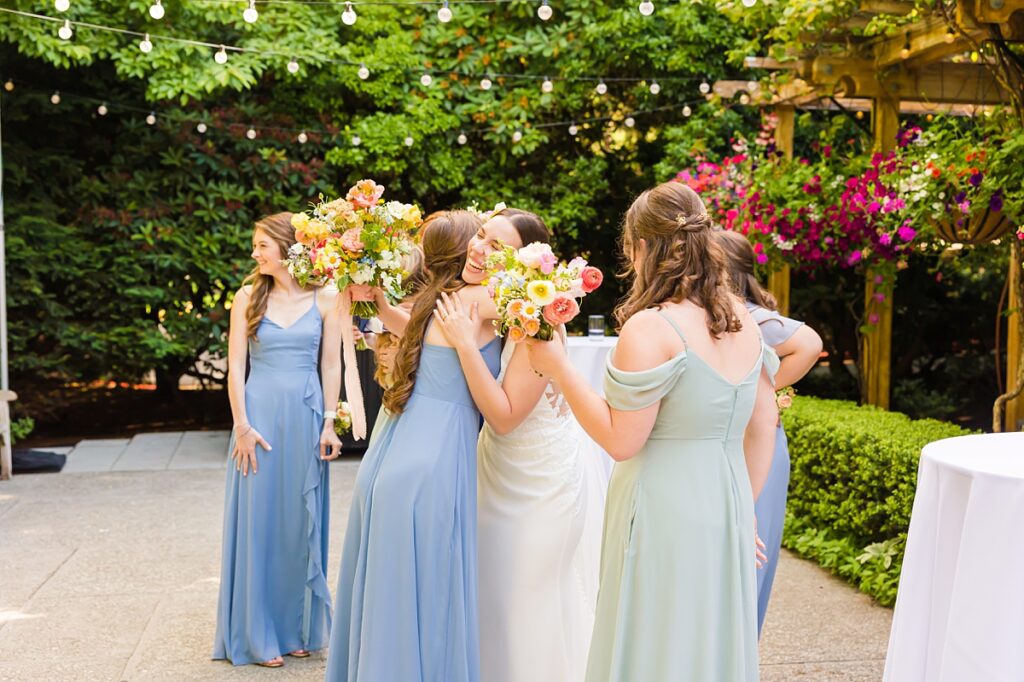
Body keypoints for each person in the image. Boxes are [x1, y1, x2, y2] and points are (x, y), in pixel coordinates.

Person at [527, 182, 779, 681]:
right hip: (726, 506)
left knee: (655, 645)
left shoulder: (651, 328)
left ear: (643, 248)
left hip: (662, 509)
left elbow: (623, 441)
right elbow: (763, 422)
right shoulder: (743, 323)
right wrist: (742, 508)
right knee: (706, 646)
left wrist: (560, 369)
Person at [326, 210, 498, 682]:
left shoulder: (440, 301)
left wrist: (379, 302)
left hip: (394, 447)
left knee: (392, 580)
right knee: (427, 579)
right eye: (482, 239)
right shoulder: (475, 300)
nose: (486, 249)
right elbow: (530, 311)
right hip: (433, 453)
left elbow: (416, 334)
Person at [432, 208, 603, 682]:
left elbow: (505, 418)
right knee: (495, 597)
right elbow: (448, 310)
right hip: (497, 472)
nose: (479, 249)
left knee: (531, 599)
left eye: (496, 248)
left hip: (541, 482)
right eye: (481, 236)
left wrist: (467, 347)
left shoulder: (536, 325)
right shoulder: (500, 304)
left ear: (521, 267)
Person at [213, 212, 343, 668]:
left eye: (262, 245)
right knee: (260, 523)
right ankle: (257, 634)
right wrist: (241, 426)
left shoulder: (327, 297)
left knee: (296, 526)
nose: (255, 253)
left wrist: (329, 422)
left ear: (289, 247)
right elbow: (235, 368)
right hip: (259, 421)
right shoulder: (247, 295)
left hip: (306, 420)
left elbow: (331, 366)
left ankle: (295, 629)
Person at [716, 229, 823, 635]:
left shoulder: (747, 315)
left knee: (750, 555)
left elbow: (810, 344)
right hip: (740, 439)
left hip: (755, 445)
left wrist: (756, 391)